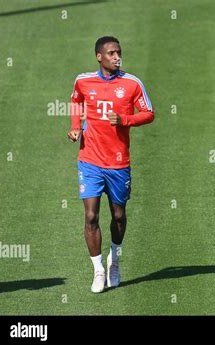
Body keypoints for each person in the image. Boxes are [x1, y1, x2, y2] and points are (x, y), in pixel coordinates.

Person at [68, 36, 155, 293]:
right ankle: (97, 270)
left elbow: (149, 113)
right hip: (90, 160)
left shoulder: (132, 84)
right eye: (111, 53)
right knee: (91, 216)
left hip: (118, 163)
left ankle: (114, 259)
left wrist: (124, 120)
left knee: (118, 215)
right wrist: (75, 129)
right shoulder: (83, 81)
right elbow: (75, 102)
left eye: (119, 52)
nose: (117, 57)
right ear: (99, 56)